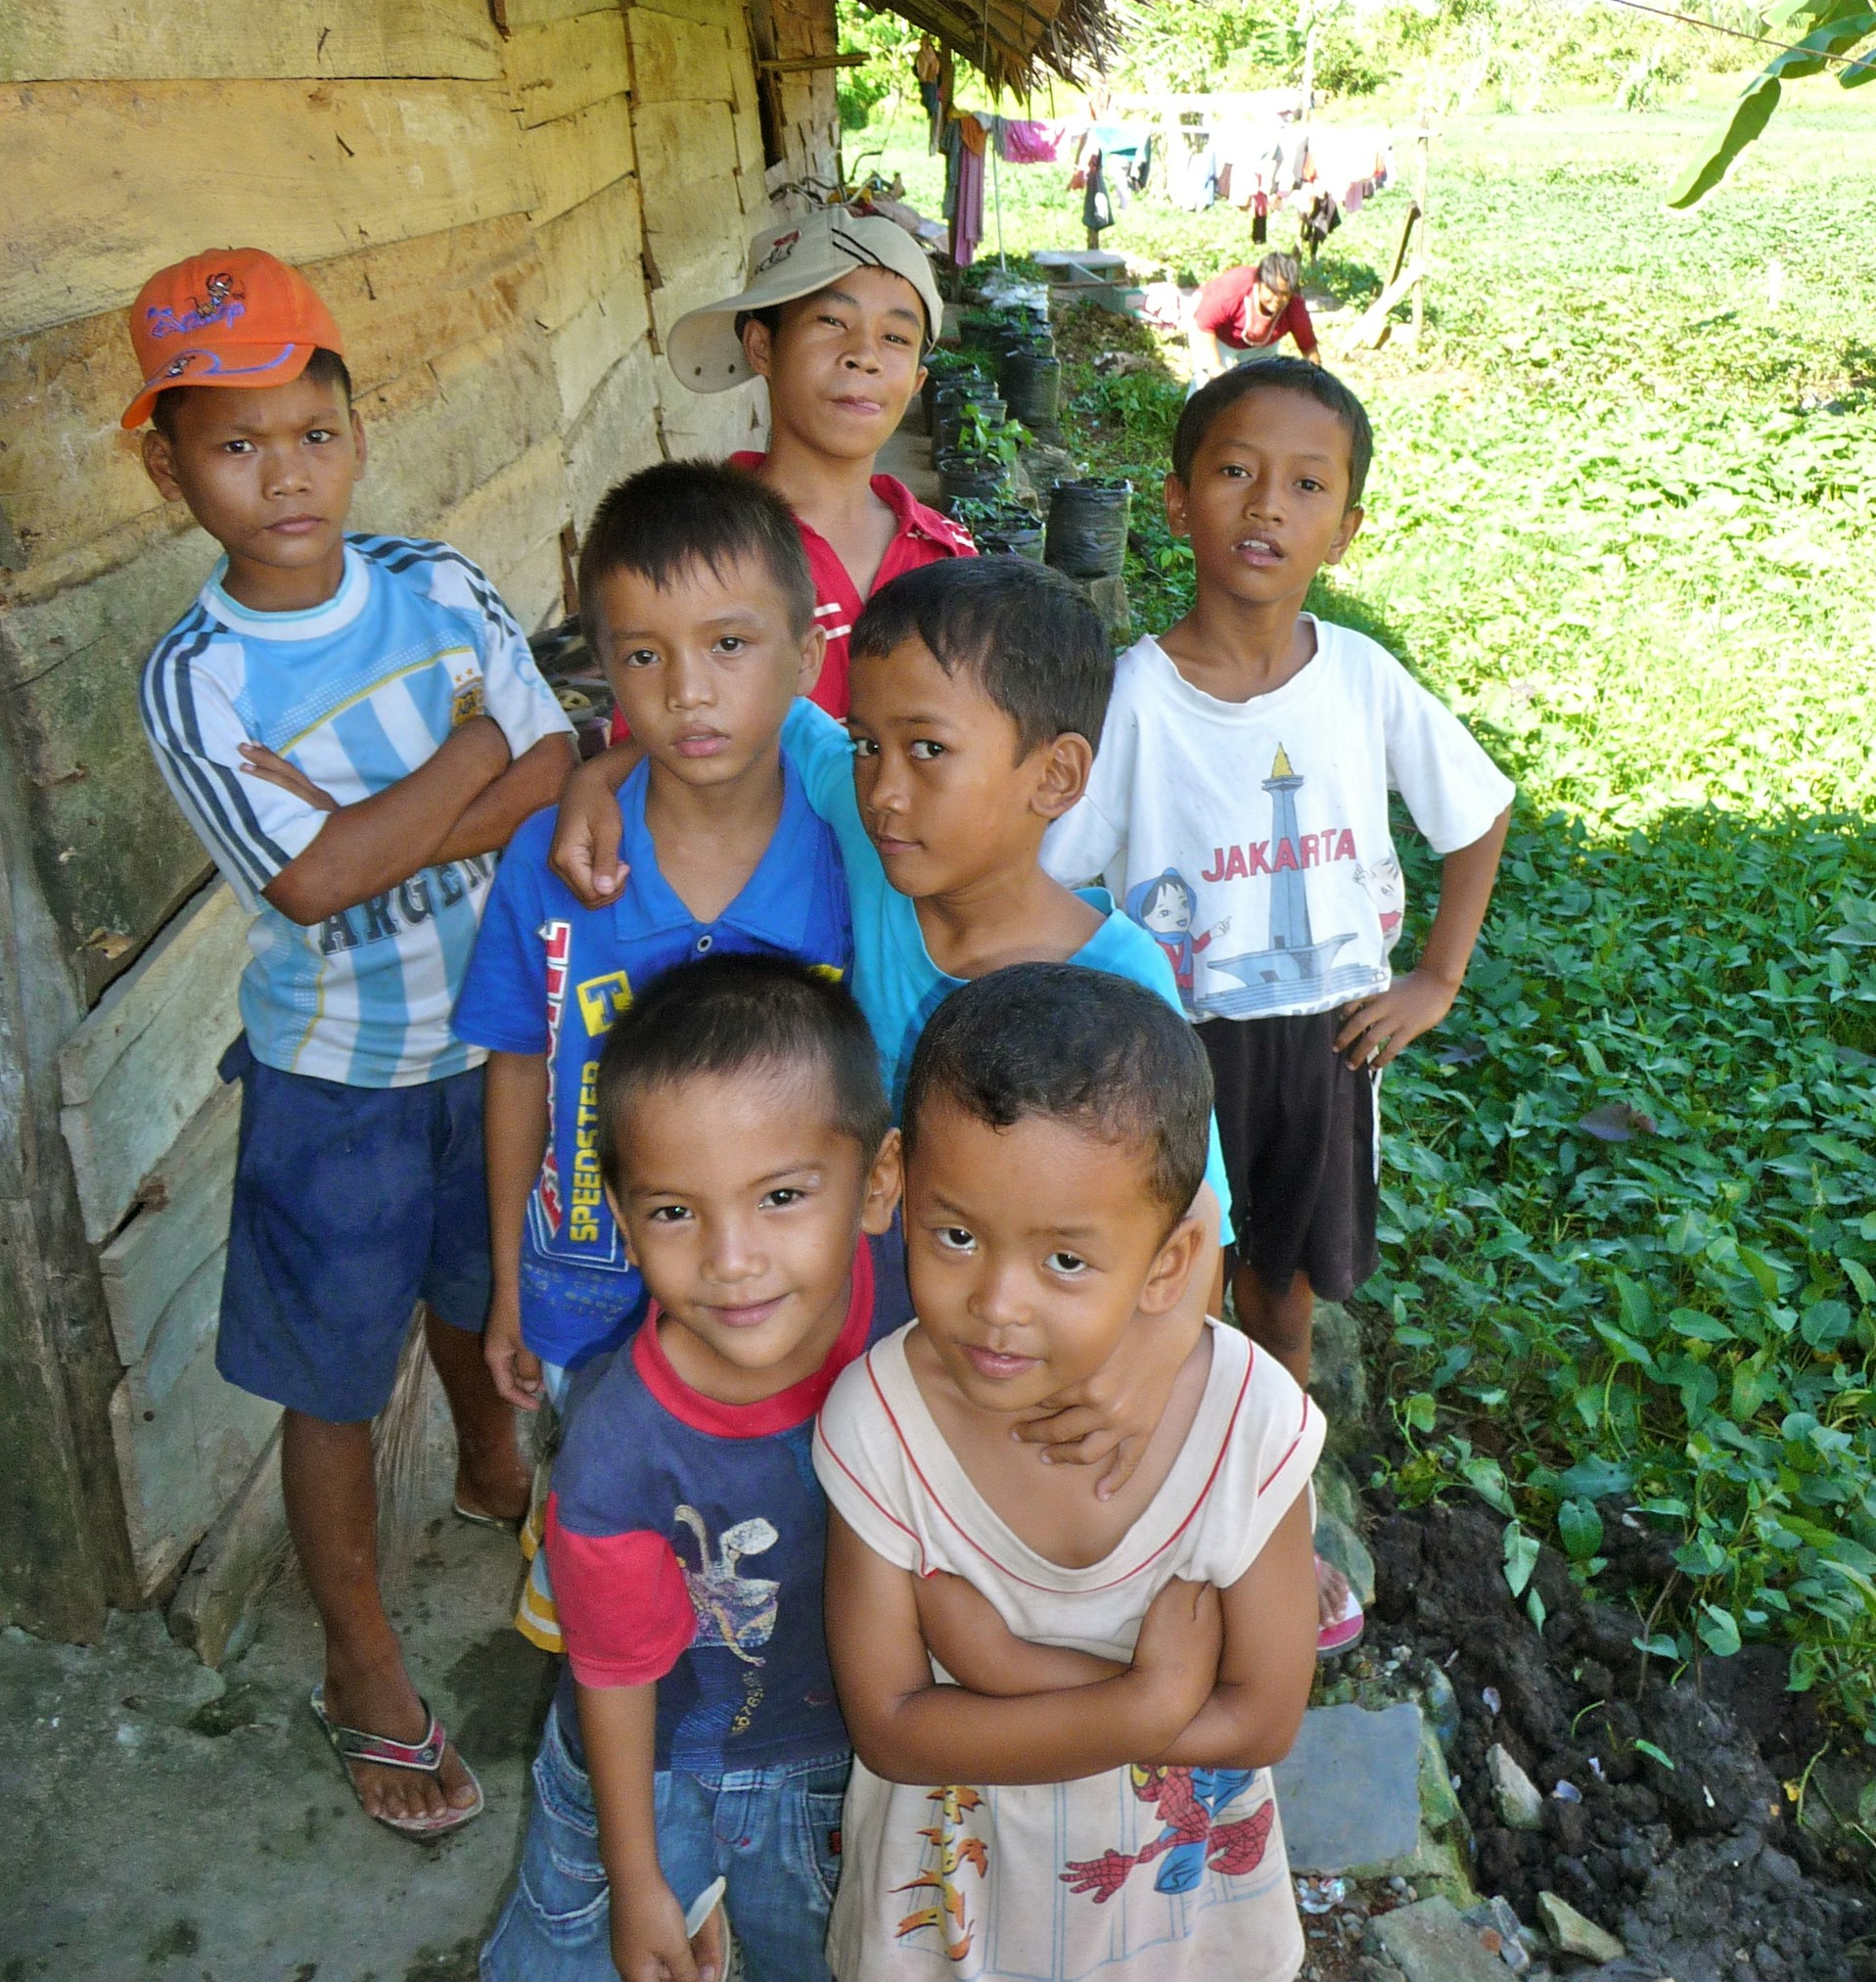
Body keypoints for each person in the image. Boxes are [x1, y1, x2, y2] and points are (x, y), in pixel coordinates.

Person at [132, 248, 576, 1835]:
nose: (284, 475)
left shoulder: (439, 586)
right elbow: (315, 883)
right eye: (236, 445)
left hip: (490, 1044)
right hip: (333, 1079)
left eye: (310, 432)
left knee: (479, 1294)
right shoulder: (198, 676)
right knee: (332, 1384)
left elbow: (555, 764)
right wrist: (470, 752)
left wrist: (461, 781)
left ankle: (489, 1469)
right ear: (166, 462)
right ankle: (364, 1663)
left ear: (353, 428)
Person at [552, 557, 1238, 1482]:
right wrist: (598, 777)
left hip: (1012, 1320)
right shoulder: (877, 834)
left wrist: (1148, 1369)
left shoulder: (1117, 978)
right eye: (867, 742)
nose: (881, 787)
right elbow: (735, 715)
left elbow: (1195, 1210)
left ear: (1056, 774)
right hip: (865, 1300)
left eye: (927, 749)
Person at [1042, 356, 1513, 1653]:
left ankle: (1282, 1523)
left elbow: (1475, 815)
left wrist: (1435, 978)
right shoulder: (1132, 698)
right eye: (1235, 471)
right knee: (1168, 1293)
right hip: (1170, 1053)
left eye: (1307, 485)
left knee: (1285, 1296)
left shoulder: (1358, 682)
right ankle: (1165, 1527)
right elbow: (1049, 868)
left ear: (1345, 528)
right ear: (1179, 497)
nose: (1267, 505)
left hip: (1322, 1046)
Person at [814, 963, 1322, 1982]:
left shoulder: (1244, 1423)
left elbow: (1267, 1716)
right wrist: (1149, 1705)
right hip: (954, 1939)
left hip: (1171, 1940)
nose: (997, 1302)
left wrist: (1000, 1665)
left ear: (1173, 1262)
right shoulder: (880, 1427)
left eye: (1065, 1262)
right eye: (955, 1235)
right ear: (898, 1179)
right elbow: (892, 1728)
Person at [453, 461, 851, 1651]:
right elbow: (518, 1061)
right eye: (642, 656)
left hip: (792, 1296)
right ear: (604, 663)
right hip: (588, 1283)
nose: (688, 693)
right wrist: (511, 1285)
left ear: (804, 651)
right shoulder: (557, 864)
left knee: (783, 1556)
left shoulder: (851, 857)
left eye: (731, 644)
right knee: (617, 1554)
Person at [480, 956, 905, 1982]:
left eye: (781, 1196)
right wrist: (635, 1879)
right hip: (644, 1777)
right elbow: (616, 1672)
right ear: (624, 1220)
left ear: (879, 1183)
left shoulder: (916, 1318)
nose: (731, 1257)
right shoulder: (621, 1447)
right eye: (675, 1212)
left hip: (843, 1767)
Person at [659, 207, 974, 717]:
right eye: (832, 321)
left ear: (916, 384)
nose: (864, 356)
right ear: (762, 347)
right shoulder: (700, 549)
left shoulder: (950, 556)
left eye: (895, 338)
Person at [1187, 250, 1319, 383]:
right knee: (1206, 387)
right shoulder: (1232, 288)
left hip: (1261, 344)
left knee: (1260, 388)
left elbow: (1309, 349)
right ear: (1258, 281)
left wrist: (1317, 386)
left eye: (1284, 294)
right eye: (1272, 291)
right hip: (1214, 333)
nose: (1277, 299)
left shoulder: (1294, 306)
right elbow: (1204, 325)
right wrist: (1215, 369)